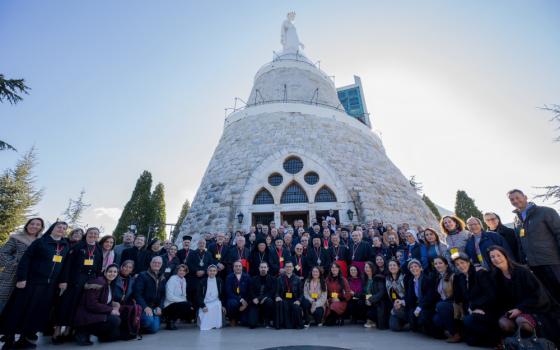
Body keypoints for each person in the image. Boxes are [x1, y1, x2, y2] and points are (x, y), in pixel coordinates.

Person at [0, 221, 69, 349]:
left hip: (48, 286)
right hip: (31, 283)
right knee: (18, 311)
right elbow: (26, 260)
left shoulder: (65, 246)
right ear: (52, 228)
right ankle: (9, 340)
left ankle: (24, 339)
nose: (61, 229)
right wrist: (22, 278)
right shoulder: (40, 242)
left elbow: (65, 266)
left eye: (64, 228)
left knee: (35, 313)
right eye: (59, 227)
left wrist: (63, 281)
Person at [489, 246, 560, 346]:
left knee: (522, 321)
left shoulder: (522, 271)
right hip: (514, 311)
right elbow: (500, 300)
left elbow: (538, 295)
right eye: (492, 257)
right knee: (503, 323)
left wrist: (520, 309)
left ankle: (539, 344)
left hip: (535, 309)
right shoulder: (496, 277)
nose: (496, 259)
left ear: (505, 256)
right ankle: (521, 344)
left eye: (498, 255)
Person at [508, 189, 560, 299]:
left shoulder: (546, 212)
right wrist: (523, 263)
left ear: (525, 197)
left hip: (552, 262)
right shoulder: (516, 220)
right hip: (534, 266)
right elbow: (520, 243)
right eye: (512, 199)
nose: (515, 201)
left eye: (517, 197)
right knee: (550, 295)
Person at [55, 227, 103, 343]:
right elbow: (68, 265)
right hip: (74, 280)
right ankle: (56, 332)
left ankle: (68, 332)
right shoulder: (78, 246)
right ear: (86, 234)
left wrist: (95, 282)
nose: (93, 235)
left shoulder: (98, 249)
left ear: (98, 236)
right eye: (91, 233)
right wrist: (64, 281)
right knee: (66, 305)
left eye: (95, 234)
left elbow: (98, 267)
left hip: (89, 281)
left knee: (78, 306)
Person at [453, 253, 499, 347]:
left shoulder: (480, 273)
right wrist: (455, 280)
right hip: (473, 309)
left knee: (468, 320)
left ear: (469, 262)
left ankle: (497, 338)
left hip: (487, 307)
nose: (460, 266)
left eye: (462, 262)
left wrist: (475, 306)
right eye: (457, 265)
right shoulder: (461, 277)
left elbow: (490, 295)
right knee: (470, 341)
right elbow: (459, 297)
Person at [0, 217, 44, 313]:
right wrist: (15, 263)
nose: (34, 226)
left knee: (18, 304)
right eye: (32, 224)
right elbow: (3, 253)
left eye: (38, 225)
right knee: (3, 299)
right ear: (27, 225)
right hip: (11, 274)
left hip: (30, 277)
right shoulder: (17, 238)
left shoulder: (42, 242)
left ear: (41, 228)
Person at [73, 264, 121, 345]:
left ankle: (101, 335)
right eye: (110, 271)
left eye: (115, 272)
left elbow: (105, 300)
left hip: (96, 313)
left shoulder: (109, 284)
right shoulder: (98, 282)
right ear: (105, 272)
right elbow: (91, 304)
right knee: (115, 320)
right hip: (86, 315)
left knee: (114, 335)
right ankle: (83, 332)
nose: (112, 274)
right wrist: (111, 310)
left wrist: (115, 305)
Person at [396, 259, 439, 334]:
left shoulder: (427, 279)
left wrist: (420, 307)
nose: (413, 268)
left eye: (416, 266)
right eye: (411, 267)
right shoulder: (411, 281)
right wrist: (402, 301)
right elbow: (409, 296)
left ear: (421, 268)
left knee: (422, 317)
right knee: (410, 313)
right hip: (417, 304)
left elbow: (429, 297)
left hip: (428, 305)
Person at [134, 256, 166, 334]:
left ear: (161, 265)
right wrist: (145, 307)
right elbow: (137, 294)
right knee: (148, 321)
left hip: (155, 308)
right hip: (144, 307)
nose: (156, 264)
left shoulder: (163, 277)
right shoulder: (142, 275)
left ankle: (148, 323)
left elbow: (163, 295)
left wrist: (160, 307)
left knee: (154, 329)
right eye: (154, 262)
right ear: (150, 263)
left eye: (159, 263)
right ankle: (136, 325)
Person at [431, 256, 459, 342]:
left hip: (454, 303)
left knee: (441, 306)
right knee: (436, 319)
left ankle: (455, 334)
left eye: (440, 263)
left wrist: (441, 304)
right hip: (444, 305)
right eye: (435, 264)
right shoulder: (437, 277)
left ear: (446, 265)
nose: (438, 265)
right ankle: (449, 331)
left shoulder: (453, 276)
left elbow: (457, 294)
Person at [274, 261, 304, 329]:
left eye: (290, 267)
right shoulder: (279, 279)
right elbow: (277, 291)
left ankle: (296, 325)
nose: (288, 268)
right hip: (283, 299)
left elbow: (301, 293)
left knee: (296, 306)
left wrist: (299, 300)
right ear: (284, 268)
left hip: (294, 299)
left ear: (293, 268)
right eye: (287, 267)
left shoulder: (297, 279)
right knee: (280, 303)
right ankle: (280, 325)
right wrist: (277, 296)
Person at [163, 264, 193, 330]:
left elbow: (184, 295)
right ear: (177, 271)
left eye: (184, 271)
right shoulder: (172, 279)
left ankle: (173, 320)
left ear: (186, 272)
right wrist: (183, 302)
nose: (182, 272)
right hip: (169, 304)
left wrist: (186, 303)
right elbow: (169, 296)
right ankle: (170, 321)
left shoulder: (184, 280)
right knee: (186, 304)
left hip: (177, 303)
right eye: (180, 270)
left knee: (189, 306)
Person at [187, 238, 215, 307]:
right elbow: (189, 264)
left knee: (202, 294)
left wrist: (204, 271)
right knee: (193, 294)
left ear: (205, 245)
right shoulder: (192, 253)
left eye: (203, 243)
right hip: (193, 277)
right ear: (197, 244)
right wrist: (196, 271)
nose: (202, 244)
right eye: (200, 243)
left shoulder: (209, 254)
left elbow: (210, 265)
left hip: (204, 277)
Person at [248, 262, 276, 329]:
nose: (263, 269)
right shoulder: (253, 279)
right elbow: (250, 291)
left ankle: (267, 320)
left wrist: (263, 298)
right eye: (261, 267)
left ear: (268, 269)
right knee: (252, 325)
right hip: (255, 302)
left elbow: (272, 291)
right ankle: (258, 319)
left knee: (269, 301)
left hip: (266, 301)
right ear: (259, 268)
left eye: (265, 267)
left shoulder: (272, 279)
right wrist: (254, 298)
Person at [197, 265, 225, 331]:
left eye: (214, 271)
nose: (212, 272)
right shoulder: (202, 282)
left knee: (217, 305)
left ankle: (215, 325)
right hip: (205, 302)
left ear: (216, 272)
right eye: (210, 271)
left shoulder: (220, 281)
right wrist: (202, 306)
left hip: (216, 302)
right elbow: (198, 295)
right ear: (207, 272)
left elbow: (223, 294)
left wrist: (223, 305)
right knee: (206, 311)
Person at [363, 261, 389, 329]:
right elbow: (365, 292)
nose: (367, 269)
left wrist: (370, 300)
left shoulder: (378, 278)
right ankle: (370, 320)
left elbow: (381, 292)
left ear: (372, 268)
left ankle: (373, 320)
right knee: (358, 302)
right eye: (365, 267)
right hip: (368, 300)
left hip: (378, 301)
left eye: (369, 267)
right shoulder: (365, 278)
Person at [225, 260, 251, 326]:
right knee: (232, 303)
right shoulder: (229, 277)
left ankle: (241, 318)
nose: (238, 268)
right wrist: (240, 299)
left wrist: (246, 302)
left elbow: (250, 291)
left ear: (242, 267)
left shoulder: (247, 277)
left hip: (245, 300)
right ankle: (232, 319)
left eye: (239, 266)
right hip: (234, 299)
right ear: (233, 268)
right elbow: (229, 292)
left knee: (245, 322)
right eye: (236, 266)